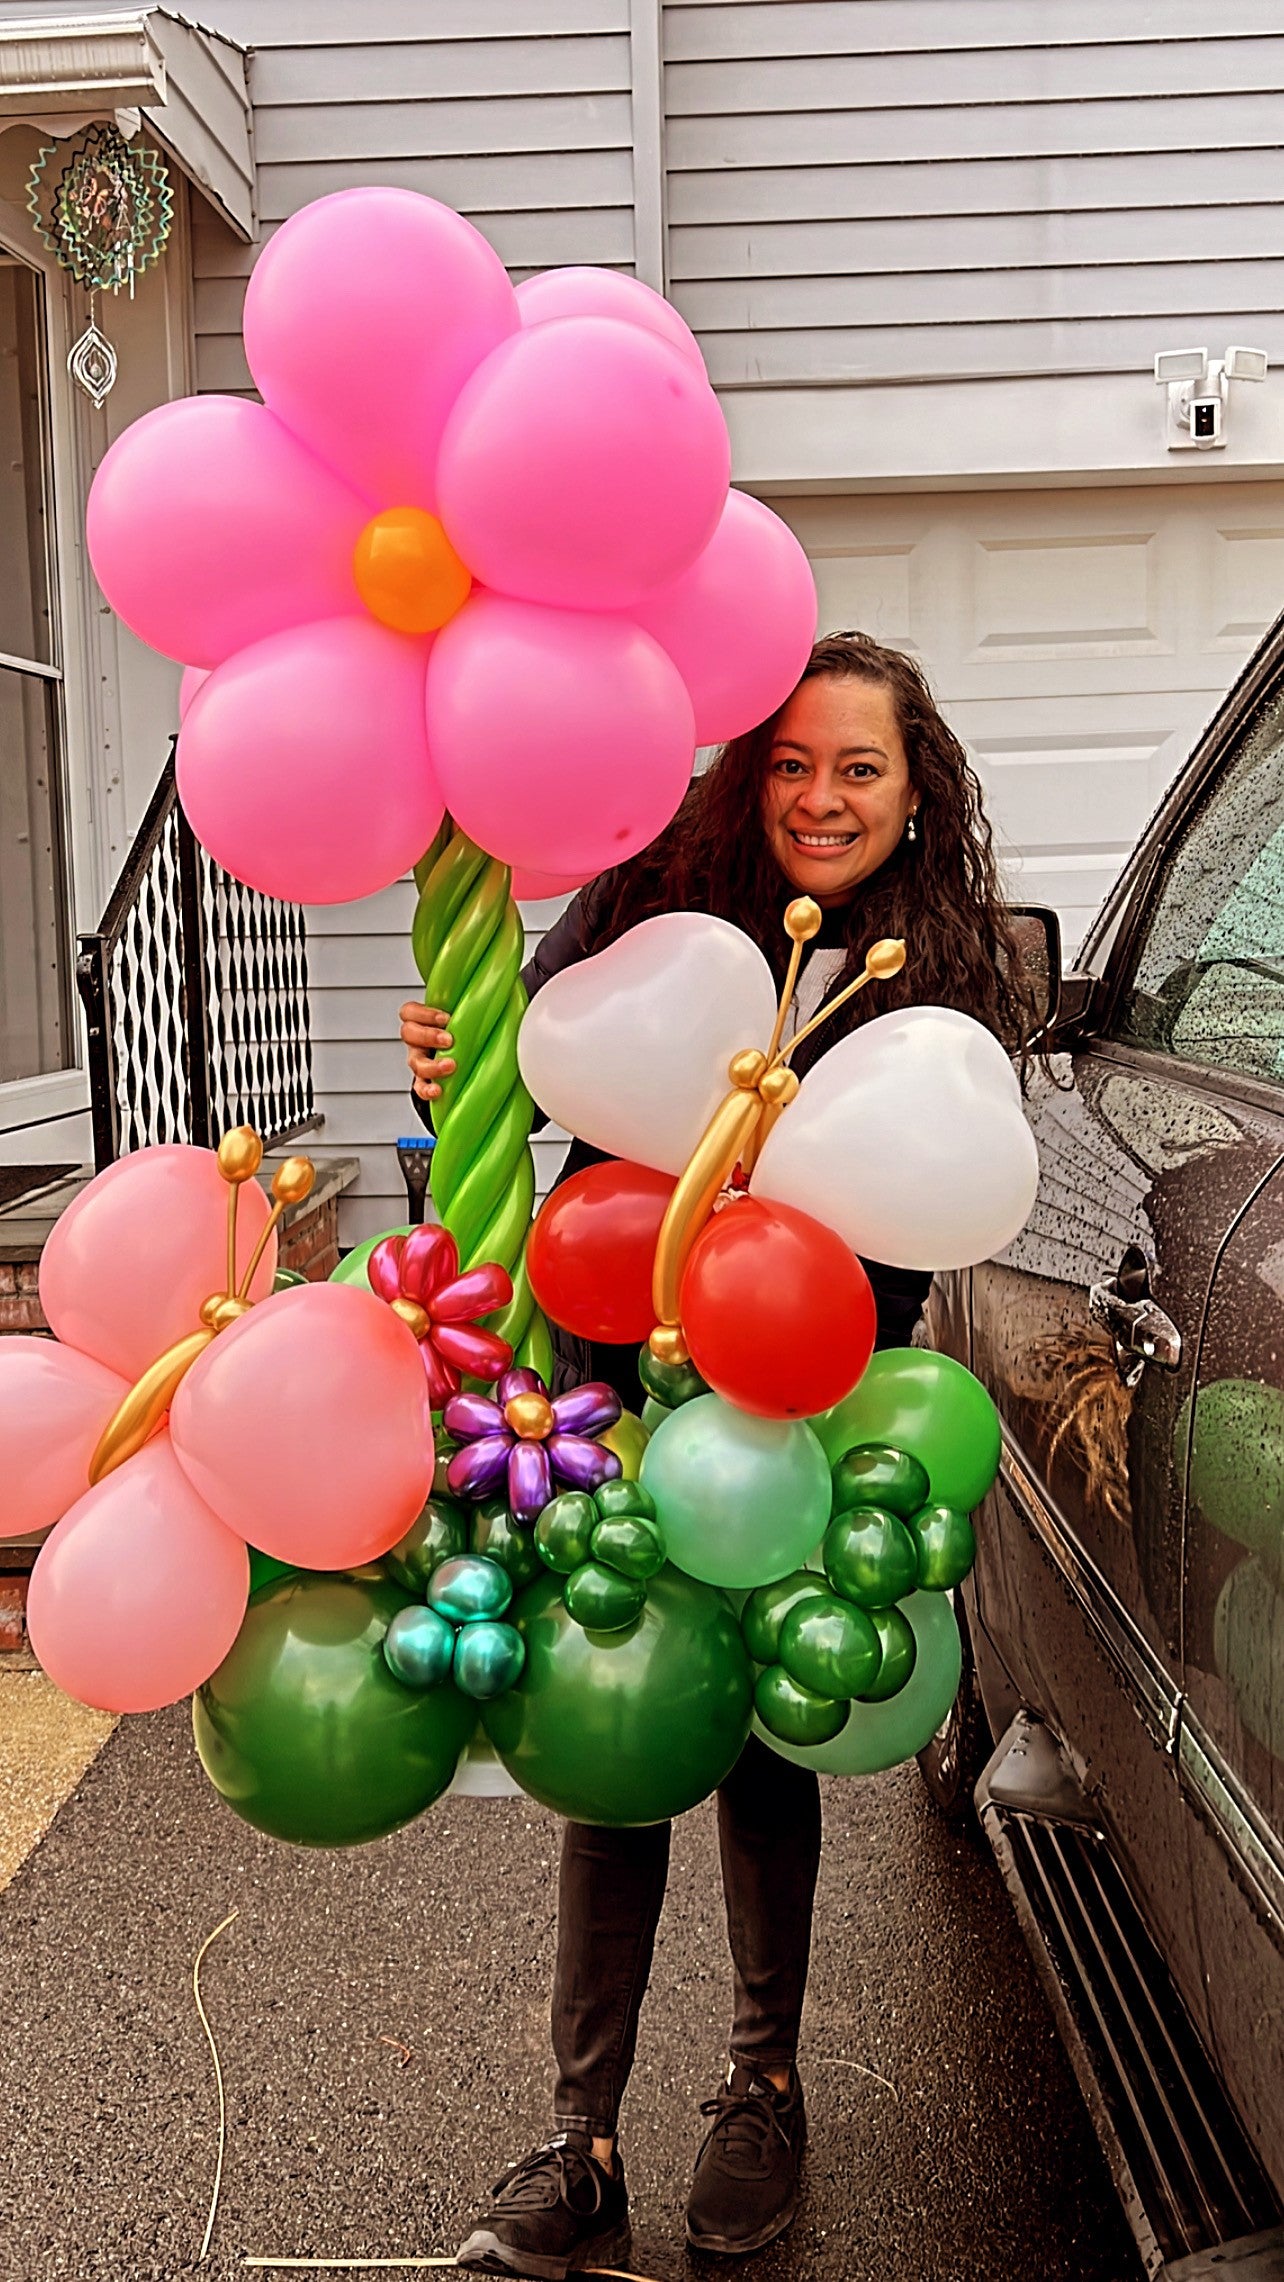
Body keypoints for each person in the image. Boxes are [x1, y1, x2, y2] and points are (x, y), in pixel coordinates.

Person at [400, 632, 1034, 2277]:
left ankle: (762, 2087)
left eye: (863, 768)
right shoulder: (650, 902)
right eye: (794, 763)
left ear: (916, 791)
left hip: (803, 1402)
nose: (822, 797)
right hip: (618, 1385)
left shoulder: (942, 961)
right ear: (747, 773)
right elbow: (526, 1074)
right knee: (611, 1743)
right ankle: (579, 2130)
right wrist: (450, 1063)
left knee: (759, 1755)